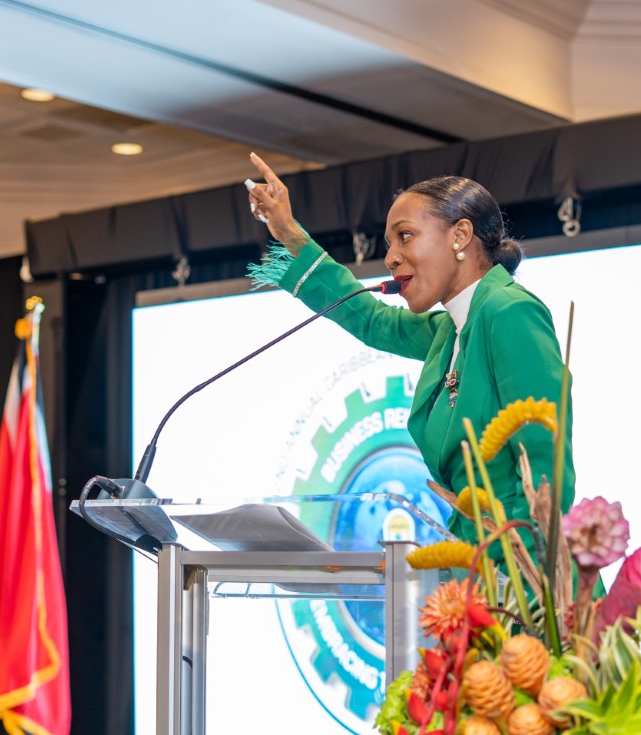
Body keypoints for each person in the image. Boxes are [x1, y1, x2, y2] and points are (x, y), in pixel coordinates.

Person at [245, 152, 575, 561]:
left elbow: (547, 476)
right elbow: (371, 319)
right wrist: (289, 233)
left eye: (405, 236)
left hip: (523, 576)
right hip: (475, 568)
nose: (390, 258)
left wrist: (523, 582)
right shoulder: (450, 329)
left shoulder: (508, 312)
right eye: (389, 244)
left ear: (460, 235)